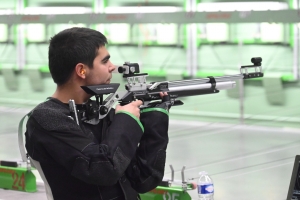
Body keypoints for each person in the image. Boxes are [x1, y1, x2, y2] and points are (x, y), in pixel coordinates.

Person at [24, 27, 170, 200]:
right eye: (105, 61)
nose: (112, 67)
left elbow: (143, 179)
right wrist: (125, 120)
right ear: (81, 70)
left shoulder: (99, 112)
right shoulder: (47, 119)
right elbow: (103, 170)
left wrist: (155, 115)